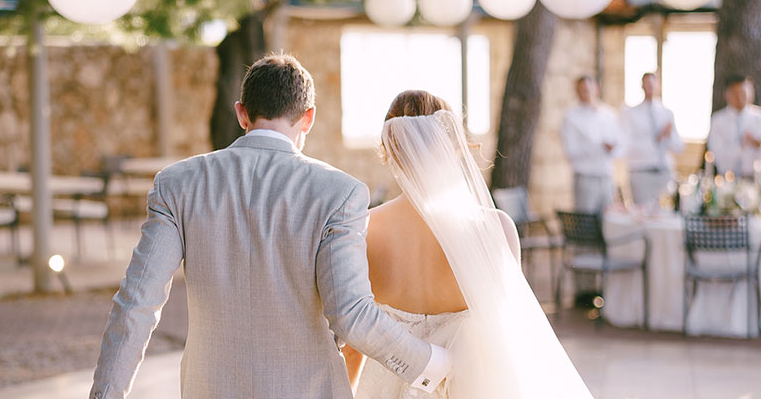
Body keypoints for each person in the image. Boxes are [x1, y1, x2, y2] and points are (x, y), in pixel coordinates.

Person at [90, 55, 449, 399]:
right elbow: (351, 315)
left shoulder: (178, 183)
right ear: (308, 117)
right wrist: (433, 363)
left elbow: (136, 303)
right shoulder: (340, 192)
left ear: (242, 113)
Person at [346, 90, 592, 399]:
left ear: (388, 149)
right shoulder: (497, 228)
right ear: (455, 147)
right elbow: (512, 336)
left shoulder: (362, 230)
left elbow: (353, 343)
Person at [560, 75, 623, 213]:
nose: (586, 93)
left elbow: (620, 147)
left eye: (589, 89)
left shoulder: (609, 115)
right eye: (582, 90)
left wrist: (611, 148)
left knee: (607, 221)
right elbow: (570, 151)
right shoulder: (571, 117)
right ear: (577, 92)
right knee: (586, 222)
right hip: (585, 178)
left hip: (606, 177)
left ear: (597, 89)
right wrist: (596, 146)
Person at [620, 72, 684, 206]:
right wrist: (657, 139)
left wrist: (669, 135)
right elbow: (626, 146)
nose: (650, 87)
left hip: (664, 172)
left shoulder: (667, 113)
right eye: (647, 84)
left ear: (658, 86)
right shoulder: (630, 114)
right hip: (641, 173)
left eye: (653, 84)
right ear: (642, 86)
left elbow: (679, 147)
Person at [708, 74, 761, 178]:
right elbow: (718, 157)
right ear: (727, 94)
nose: (740, 98)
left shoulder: (759, 117)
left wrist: (757, 144)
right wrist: (740, 147)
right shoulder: (718, 121)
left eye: (744, 93)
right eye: (736, 94)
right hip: (728, 179)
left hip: (756, 179)